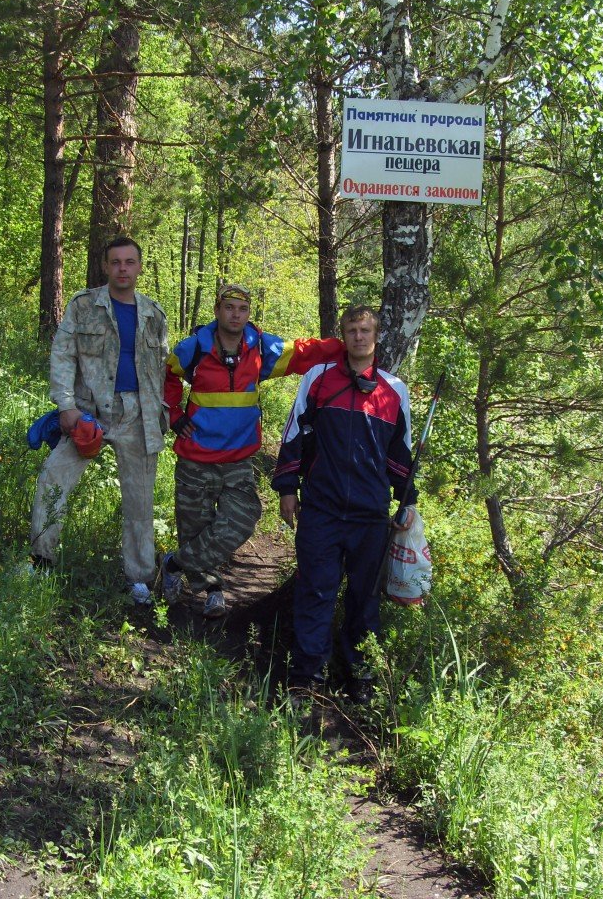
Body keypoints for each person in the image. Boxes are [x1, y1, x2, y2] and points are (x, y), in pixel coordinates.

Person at [162, 284, 345, 618]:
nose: (235, 315)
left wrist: (346, 346)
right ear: (217, 310)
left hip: (238, 458)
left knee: (243, 519)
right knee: (196, 528)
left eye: (242, 309)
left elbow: (301, 353)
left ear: (248, 314)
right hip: (195, 457)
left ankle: (174, 563)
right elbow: (166, 375)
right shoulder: (195, 347)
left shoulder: (260, 347)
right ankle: (212, 590)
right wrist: (174, 415)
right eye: (229, 307)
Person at [270, 303, 417, 700]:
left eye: (365, 330)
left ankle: (361, 675)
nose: (358, 337)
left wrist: (407, 501)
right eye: (352, 330)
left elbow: (400, 453)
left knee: (364, 598)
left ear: (377, 336)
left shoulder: (394, 390)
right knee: (315, 590)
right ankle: (307, 676)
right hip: (321, 508)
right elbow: (294, 434)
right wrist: (287, 488)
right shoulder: (318, 378)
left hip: (371, 515)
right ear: (343, 336)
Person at [30, 236, 168, 606]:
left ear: (139, 267)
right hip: (88, 413)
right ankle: (41, 561)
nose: (123, 268)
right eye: (116, 262)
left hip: (138, 415)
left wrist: (161, 411)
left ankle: (139, 579)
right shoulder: (84, 305)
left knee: (139, 501)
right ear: (105, 266)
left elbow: (160, 369)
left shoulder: (154, 314)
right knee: (53, 479)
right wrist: (66, 406)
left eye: (129, 262)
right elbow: (63, 354)